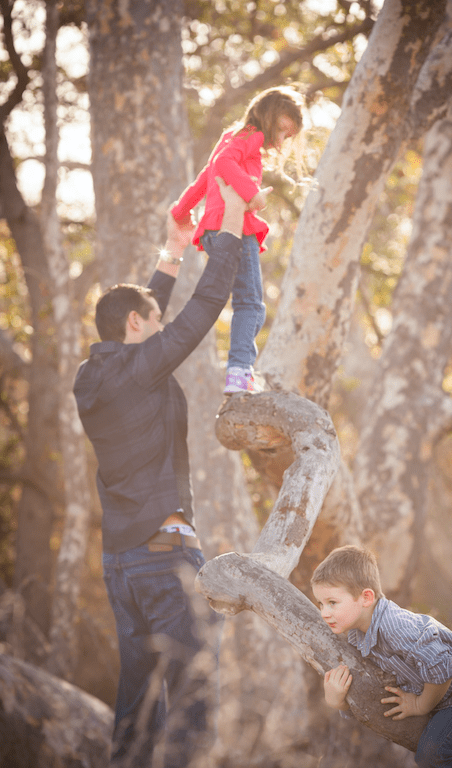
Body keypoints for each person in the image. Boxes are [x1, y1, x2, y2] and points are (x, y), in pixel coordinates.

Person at [73, 180, 247, 768]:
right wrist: (230, 227)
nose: (158, 316)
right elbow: (203, 309)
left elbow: (146, 316)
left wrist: (173, 249)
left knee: (138, 714)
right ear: (137, 325)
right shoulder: (141, 367)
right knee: (194, 707)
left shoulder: (94, 376)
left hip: (121, 564)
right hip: (163, 556)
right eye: (151, 315)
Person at [311, 545, 452, 768]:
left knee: (434, 754)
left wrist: (421, 705)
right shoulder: (356, 636)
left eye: (332, 602)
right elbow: (371, 696)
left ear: (366, 597)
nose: (324, 612)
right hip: (442, 701)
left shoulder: (395, 626)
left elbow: (441, 666)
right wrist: (338, 702)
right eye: (320, 604)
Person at [170, 85, 305, 394]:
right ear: (268, 116)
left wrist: (180, 211)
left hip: (213, 234)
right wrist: (252, 194)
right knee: (251, 304)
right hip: (235, 229)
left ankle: (238, 370)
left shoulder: (232, 136)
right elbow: (222, 166)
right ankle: (240, 371)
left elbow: (206, 175)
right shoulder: (251, 135)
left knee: (234, 301)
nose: (282, 139)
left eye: (288, 135)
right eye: (282, 129)